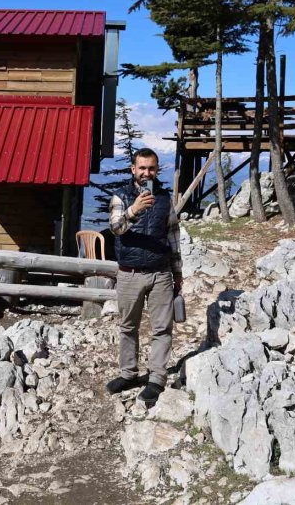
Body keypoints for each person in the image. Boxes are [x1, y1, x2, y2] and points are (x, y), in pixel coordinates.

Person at [106, 148, 183, 408]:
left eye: (151, 168)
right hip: (129, 273)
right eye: (142, 168)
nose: (146, 173)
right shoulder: (121, 196)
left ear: (156, 170)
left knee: (162, 328)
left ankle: (157, 378)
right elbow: (116, 228)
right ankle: (128, 374)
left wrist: (178, 272)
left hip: (161, 272)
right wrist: (133, 210)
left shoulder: (164, 198)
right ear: (133, 169)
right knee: (128, 326)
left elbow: (173, 235)